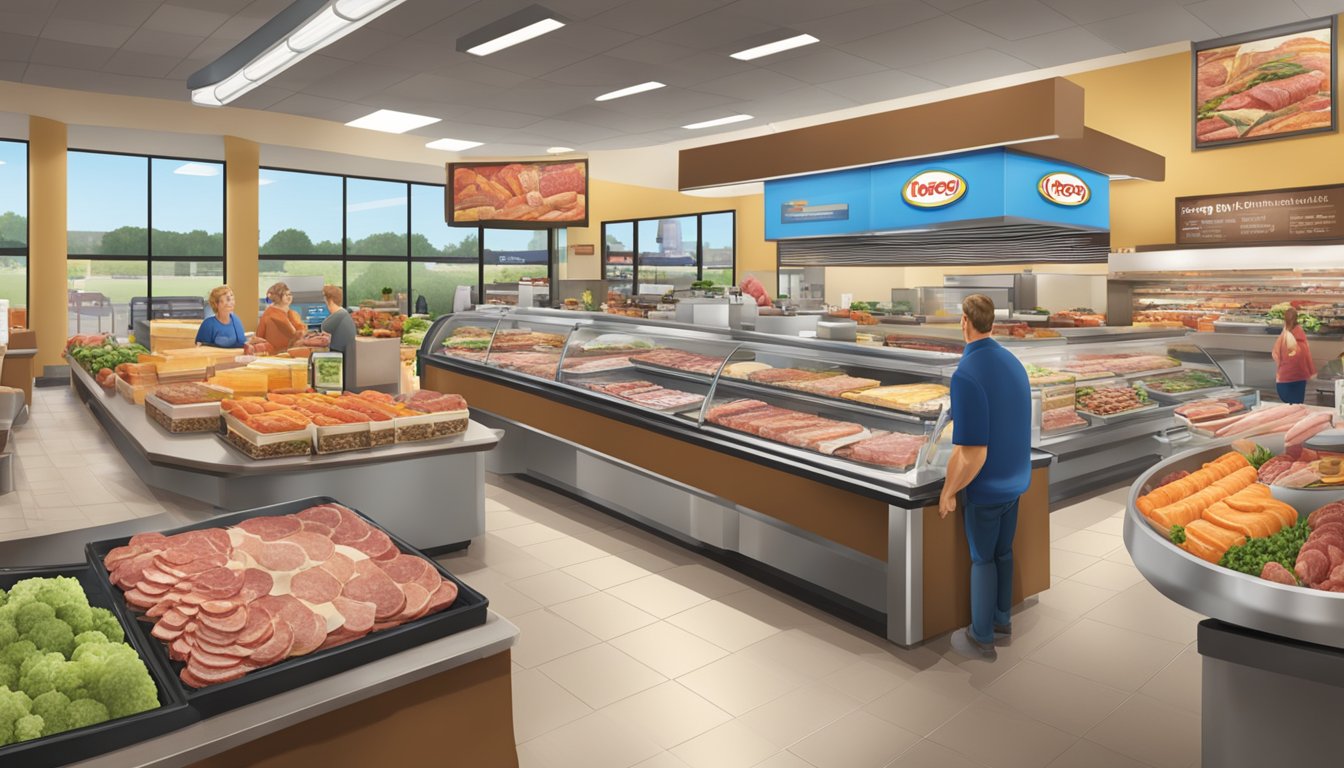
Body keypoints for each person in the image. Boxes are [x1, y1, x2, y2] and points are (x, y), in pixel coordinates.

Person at [939, 294, 1032, 662]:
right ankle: (1002, 619)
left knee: (982, 559)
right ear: (992, 322)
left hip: (987, 486)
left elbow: (972, 453)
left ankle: (981, 636)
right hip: (1017, 479)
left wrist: (948, 491)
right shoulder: (1014, 363)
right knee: (1004, 552)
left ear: (965, 322)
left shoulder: (966, 374)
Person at [1273, 308, 1315, 404]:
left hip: (1284, 379)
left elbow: (1275, 355)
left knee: (1288, 404)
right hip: (1300, 378)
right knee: (1297, 404)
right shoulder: (1302, 338)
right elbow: (1307, 357)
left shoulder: (1283, 338)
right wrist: (1311, 372)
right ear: (1297, 319)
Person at [256, 282, 306, 352]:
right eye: (285, 295)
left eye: (290, 294)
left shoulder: (291, 313)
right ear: (277, 297)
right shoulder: (272, 314)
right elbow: (294, 334)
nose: (289, 297)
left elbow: (301, 332)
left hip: (290, 351)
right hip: (277, 354)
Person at [321, 283, 356, 355]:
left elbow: (325, 327)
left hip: (338, 353)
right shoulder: (343, 313)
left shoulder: (340, 314)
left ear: (330, 299)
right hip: (341, 352)